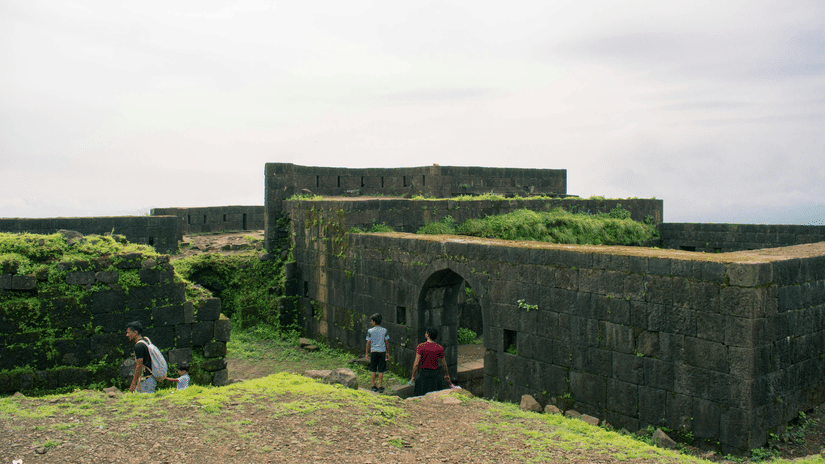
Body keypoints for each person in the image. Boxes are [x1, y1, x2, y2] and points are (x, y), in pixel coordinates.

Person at [410, 327, 451, 396]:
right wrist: (446, 374)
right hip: (435, 375)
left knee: (420, 395)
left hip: (423, 375)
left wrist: (413, 376)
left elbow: (416, 364)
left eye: (426, 333)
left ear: (427, 335)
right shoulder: (439, 348)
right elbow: (443, 364)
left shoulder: (420, 346)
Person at [125, 321, 156, 393]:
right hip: (149, 379)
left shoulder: (138, 346)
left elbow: (139, 366)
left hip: (146, 381)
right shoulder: (145, 341)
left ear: (135, 332)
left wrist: (133, 383)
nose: (127, 335)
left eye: (128, 332)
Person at [365, 313, 390, 393]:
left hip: (373, 351)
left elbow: (368, 343)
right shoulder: (384, 330)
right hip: (382, 351)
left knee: (373, 368)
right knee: (381, 369)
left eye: (372, 321)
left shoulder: (370, 331)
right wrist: (388, 352)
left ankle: (373, 386)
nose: (371, 322)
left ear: (375, 322)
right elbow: (387, 342)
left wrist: (366, 353)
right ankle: (380, 386)